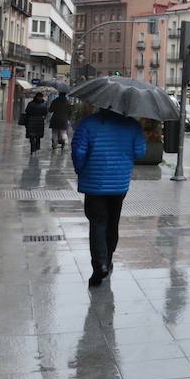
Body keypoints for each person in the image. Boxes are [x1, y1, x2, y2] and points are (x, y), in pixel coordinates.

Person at [71, 108, 146, 288]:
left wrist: (81, 170)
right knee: (113, 222)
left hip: (94, 182)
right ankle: (108, 260)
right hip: (119, 183)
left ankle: (100, 264)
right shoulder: (132, 125)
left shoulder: (87, 124)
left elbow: (78, 152)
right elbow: (140, 152)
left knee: (98, 222)